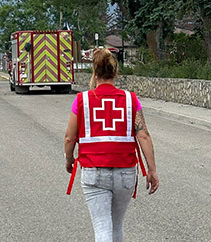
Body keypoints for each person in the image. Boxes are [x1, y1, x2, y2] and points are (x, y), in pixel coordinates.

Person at [64, 48, 159, 242]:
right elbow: (144, 136)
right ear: (115, 72)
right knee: (116, 226)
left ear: (94, 72)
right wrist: (152, 169)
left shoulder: (82, 100)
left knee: (102, 227)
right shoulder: (131, 100)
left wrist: (69, 159)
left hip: (94, 172)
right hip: (125, 173)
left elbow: (69, 138)